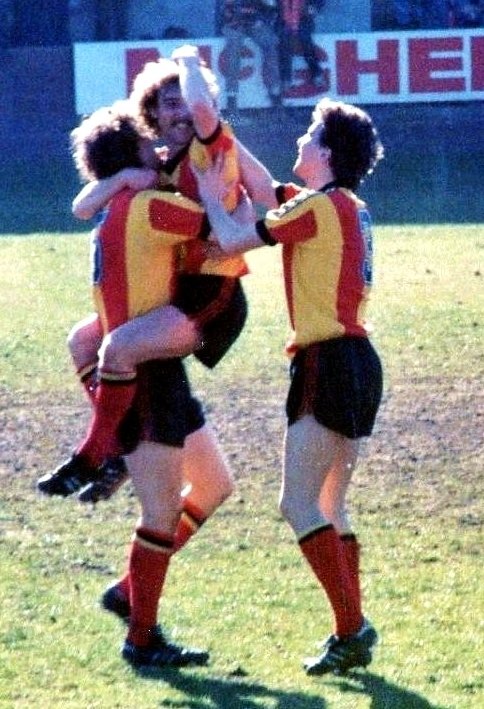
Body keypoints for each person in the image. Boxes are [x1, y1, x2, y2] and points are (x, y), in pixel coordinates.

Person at [195, 97, 384, 675]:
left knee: (297, 502)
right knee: (331, 504)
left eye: (309, 134)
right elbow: (266, 187)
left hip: (326, 362)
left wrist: (207, 186)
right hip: (358, 361)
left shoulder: (318, 209)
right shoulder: (342, 206)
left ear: (326, 152)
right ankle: (350, 630)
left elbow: (231, 236)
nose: (300, 140)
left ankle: (351, 629)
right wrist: (221, 135)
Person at [36, 46, 262, 503]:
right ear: (153, 114)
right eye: (169, 103)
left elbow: (234, 225)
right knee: (83, 341)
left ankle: (97, 451)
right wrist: (121, 179)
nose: (182, 111)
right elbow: (81, 206)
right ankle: (118, 445)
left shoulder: (210, 144)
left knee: (118, 349)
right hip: (173, 289)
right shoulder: (160, 167)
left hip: (211, 293)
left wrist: (188, 61)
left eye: (188, 101)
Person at [220, 0, 282, 113]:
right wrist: (235, 20)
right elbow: (224, 8)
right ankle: (232, 104)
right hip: (234, 24)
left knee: (271, 44)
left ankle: (276, 96)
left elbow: (272, 7)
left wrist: (261, 20)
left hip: (256, 23)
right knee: (233, 54)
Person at [277, 0, 325, 91]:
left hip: (303, 20)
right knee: (284, 47)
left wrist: (313, 7)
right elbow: (268, 5)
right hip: (282, 21)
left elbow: (319, 2)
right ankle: (285, 79)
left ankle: (317, 74)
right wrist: (272, 12)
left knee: (307, 44)